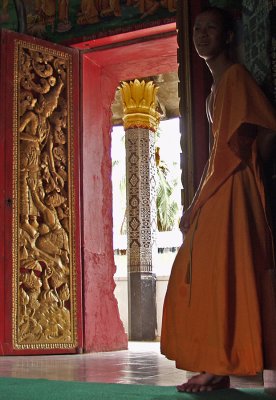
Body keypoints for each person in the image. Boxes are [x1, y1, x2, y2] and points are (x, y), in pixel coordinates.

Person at [161, 6, 276, 393]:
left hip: (234, 188)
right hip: (219, 186)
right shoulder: (215, 90)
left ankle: (223, 362)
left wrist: (252, 169)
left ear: (228, 36)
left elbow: (267, 130)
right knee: (214, 274)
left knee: (223, 273)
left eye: (211, 28)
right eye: (197, 29)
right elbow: (216, 154)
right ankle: (219, 362)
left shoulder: (236, 77)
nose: (202, 35)